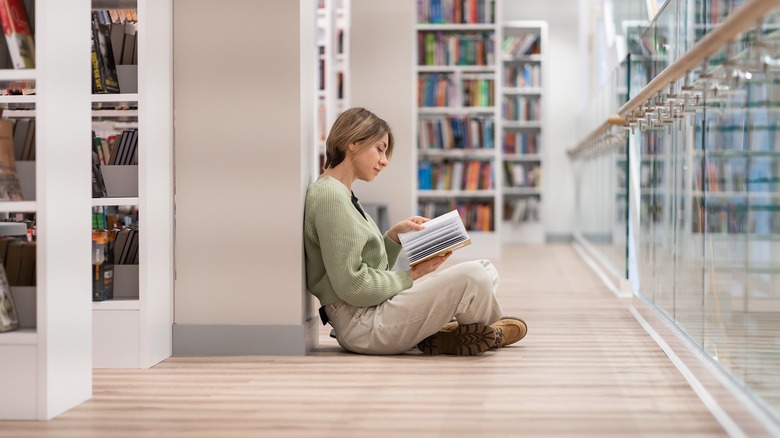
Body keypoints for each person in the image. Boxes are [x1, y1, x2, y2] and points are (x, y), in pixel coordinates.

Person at [303, 107, 527, 356]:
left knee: (485, 268)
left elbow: (368, 270)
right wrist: (414, 274)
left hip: (372, 310)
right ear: (353, 142)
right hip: (363, 324)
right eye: (380, 148)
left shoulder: (341, 193)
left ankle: (446, 332)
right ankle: (490, 331)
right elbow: (353, 286)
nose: (384, 161)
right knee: (474, 276)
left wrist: (393, 237)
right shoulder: (330, 197)